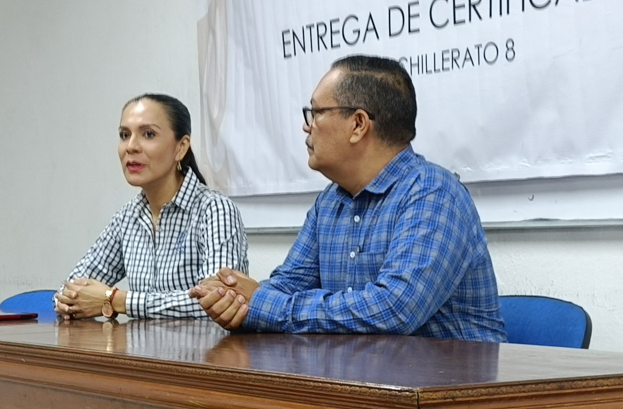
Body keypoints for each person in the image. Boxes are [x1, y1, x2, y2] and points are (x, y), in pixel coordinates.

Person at [190, 55, 505, 340]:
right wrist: (236, 300)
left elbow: (393, 309)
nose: (306, 126)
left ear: (358, 124)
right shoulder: (330, 202)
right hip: (367, 376)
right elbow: (289, 284)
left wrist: (261, 303)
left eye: (316, 112)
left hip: (454, 381)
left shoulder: (432, 193)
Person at [56, 93, 248, 320]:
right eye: (124, 135)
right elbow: (67, 293)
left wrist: (117, 300)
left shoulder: (215, 210)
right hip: (141, 344)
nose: (131, 147)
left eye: (148, 134)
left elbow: (220, 301)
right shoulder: (128, 217)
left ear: (181, 147)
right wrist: (72, 301)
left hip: (208, 344)